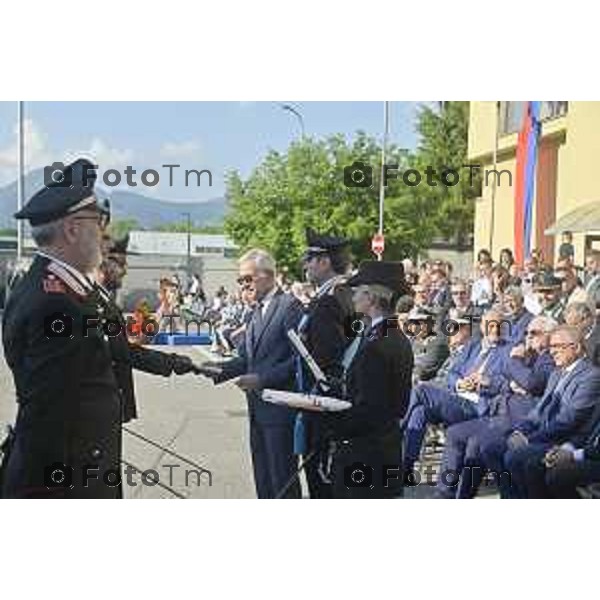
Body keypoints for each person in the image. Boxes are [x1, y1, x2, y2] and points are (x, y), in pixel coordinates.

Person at [1, 158, 199, 499]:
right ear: (73, 229)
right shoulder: (54, 302)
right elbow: (45, 413)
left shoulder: (71, 292)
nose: (103, 234)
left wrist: (181, 364)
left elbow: (113, 348)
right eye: (98, 222)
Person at [199, 249, 304, 499]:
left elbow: (299, 360)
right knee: (263, 479)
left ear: (268, 275)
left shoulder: (289, 307)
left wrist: (262, 379)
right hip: (257, 410)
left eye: (248, 278)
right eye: (241, 280)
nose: (244, 285)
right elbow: (247, 357)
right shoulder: (257, 310)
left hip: (280, 411)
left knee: (283, 482)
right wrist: (217, 370)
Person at [319, 261, 413, 498]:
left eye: (358, 291)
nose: (354, 296)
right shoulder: (394, 336)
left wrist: (330, 422)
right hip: (385, 449)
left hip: (365, 457)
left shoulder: (377, 345)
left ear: (371, 298)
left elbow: (369, 410)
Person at [437, 316, 556, 498]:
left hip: (520, 419)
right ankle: (444, 494)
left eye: (534, 333)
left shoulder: (547, 359)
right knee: (454, 433)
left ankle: (465, 496)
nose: (528, 337)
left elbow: (531, 383)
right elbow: (501, 379)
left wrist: (514, 362)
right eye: (526, 333)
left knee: (478, 444)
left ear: (550, 336)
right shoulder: (528, 357)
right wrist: (511, 381)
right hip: (498, 412)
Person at [479, 325, 600, 498]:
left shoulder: (591, 376)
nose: (552, 352)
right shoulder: (557, 374)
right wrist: (519, 431)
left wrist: (528, 440)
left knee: (518, 457)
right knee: (491, 448)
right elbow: (538, 412)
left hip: (565, 440)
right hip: (543, 435)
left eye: (558, 346)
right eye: (551, 347)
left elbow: (569, 421)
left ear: (577, 347)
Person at [402, 309, 511, 474]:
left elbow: (507, 382)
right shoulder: (473, 346)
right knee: (419, 411)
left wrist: (483, 383)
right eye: (491, 325)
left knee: (421, 390)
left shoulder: (508, 350)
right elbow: (452, 373)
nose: (495, 329)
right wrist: (460, 383)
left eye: (499, 325)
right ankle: (407, 466)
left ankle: (394, 434)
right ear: (482, 326)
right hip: (457, 398)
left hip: (478, 406)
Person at [294, 228, 354, 499]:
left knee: (322, 485)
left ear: (325, 261)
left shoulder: (331, 300)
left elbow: (327, 360)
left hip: (322, 405)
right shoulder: (338, 294)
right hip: (325, 402)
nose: (306, 264)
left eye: (310, 258)